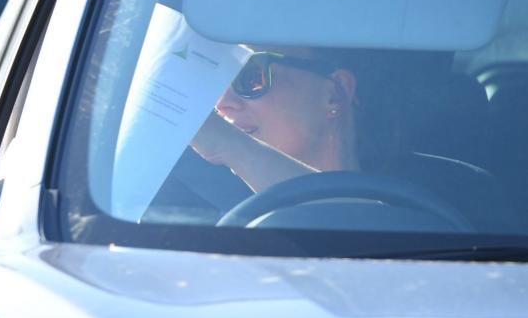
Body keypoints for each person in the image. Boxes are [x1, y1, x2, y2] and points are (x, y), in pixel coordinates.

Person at [190, 46, 516, 230]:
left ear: (335, 93)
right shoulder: (182, 206)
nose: (222, 103)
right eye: (213, 77)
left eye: (250, 76)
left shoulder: (463, 196)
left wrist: (233, 146)